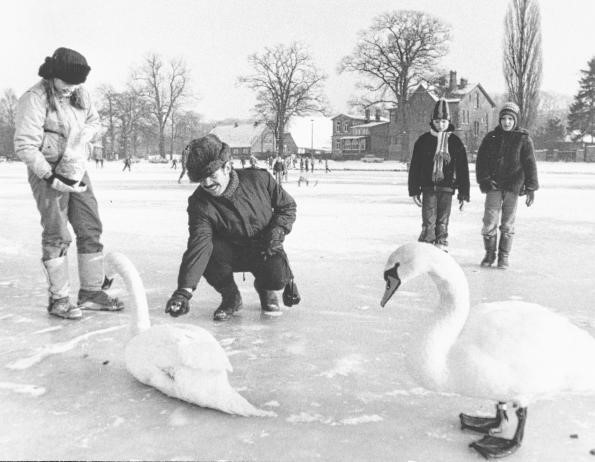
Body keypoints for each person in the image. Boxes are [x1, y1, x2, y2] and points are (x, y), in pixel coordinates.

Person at [14, 47, 124, 320]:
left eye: (77, 84)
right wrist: (50, 177)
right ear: (53, 75)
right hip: (47, 171)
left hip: (76, 168)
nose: (71, 89)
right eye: (67, 83)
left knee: (90, 226)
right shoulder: (34, 99)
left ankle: (91, 293)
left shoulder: (79, 92)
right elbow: (25, 145)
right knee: (57, 234)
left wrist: (87, 133)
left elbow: (94, 120)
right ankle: (59, 300)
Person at [165, 134, 300, 321]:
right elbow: (199, 244)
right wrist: (183, 292)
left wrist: (277, 232)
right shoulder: (199, 203)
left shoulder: (259, 180)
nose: (207, 183)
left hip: (265, 246)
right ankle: (231, 297)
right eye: (201, 179)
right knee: (207, 255)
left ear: (227, 167)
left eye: (212, 175)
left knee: (277, 277)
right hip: (229, 252)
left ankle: (266, 289)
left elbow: (287, 207)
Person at [475, 102, 538, 269]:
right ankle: (489, 254)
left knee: (508, 223)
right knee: (489, 221)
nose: (507, 122)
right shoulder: (491, 137)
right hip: (494, 186)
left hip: (513, 186)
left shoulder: (523, 139)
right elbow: (481, 161)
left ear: (515, 120)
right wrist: (485, 180)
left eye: (510, 119)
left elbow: (530, 163)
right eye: (504, 118)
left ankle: (503, 256)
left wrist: (531, 187)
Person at [408, 98, 470, 252]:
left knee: (443, 219)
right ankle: (427, 244)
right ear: (432, 122)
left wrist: (463, 193)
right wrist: (414, 190)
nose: (440, 125)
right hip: (428, 187)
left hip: (447, 188)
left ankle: (441, 243)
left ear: (448, 121)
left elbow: (462, 169)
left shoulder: (455, 142)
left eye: (443, 121)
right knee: (429, 219)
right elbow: (415, 167)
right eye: (437, 121)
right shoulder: (423, 141)